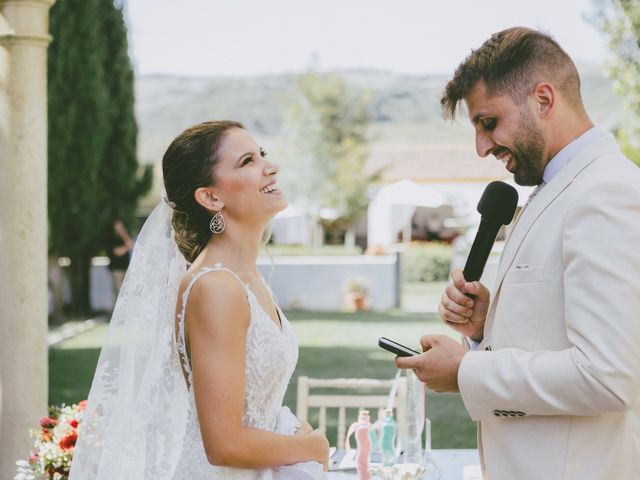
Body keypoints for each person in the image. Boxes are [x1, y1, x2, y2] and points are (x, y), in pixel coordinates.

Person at [396, 27, 640, 479]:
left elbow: (608, 377)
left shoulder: (604, 192)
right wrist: (487, 327)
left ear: (544, 100)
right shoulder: (559, 187)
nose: (481, 147)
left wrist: (468, 371)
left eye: (488, 123)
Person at [69, 121, 329, 479]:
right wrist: (313, 448)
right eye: (247, 161)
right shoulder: (216, 287)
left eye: (262, 155)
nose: (270, 167)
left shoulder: (248, 279)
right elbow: (224, 444)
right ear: (210, 197)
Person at [106, 219, 134, 298]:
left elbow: (132, 245)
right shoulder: (111, 239)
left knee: (127, 293)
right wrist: (127, 247)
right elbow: (118, 252)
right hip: (116, 270)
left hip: (125, 268)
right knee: (118, 293)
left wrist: (123, 234)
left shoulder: (125, 236)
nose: (120, 229)